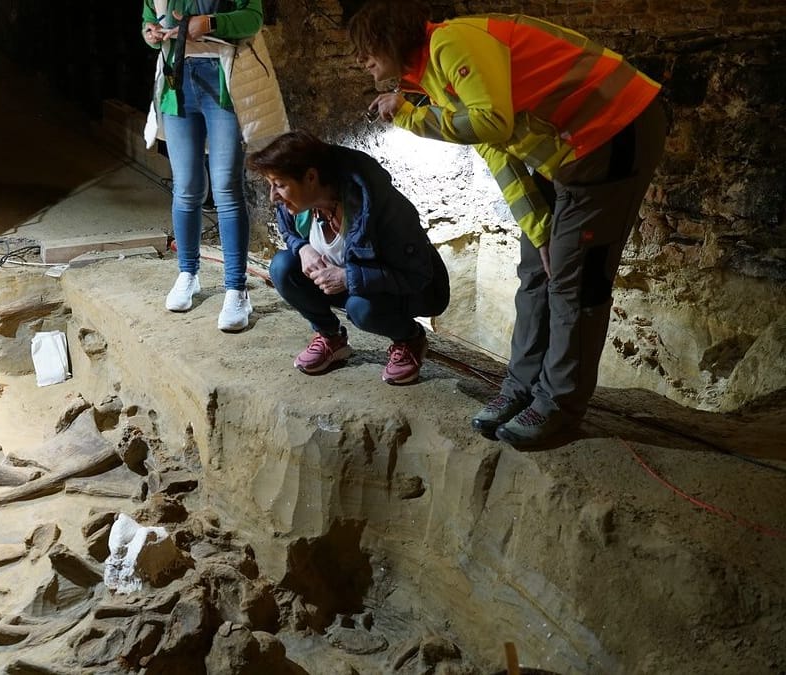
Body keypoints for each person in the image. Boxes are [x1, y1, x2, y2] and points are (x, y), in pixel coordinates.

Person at [350, 1, 668, 446]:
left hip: (612, 131)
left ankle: (558, 405)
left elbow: (491, 121)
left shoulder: (452, 44)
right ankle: (520, 389)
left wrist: (408, 115)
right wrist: (538, 228)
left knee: (575, 282)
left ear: (392, 37)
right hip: (568, 151)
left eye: (367, 49)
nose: (362, 61)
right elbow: (498, 153)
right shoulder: (435, 77)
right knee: (537, 268)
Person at [246, 130, 450, 384]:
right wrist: (302, 248)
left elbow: (417, 276)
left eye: (280, 185)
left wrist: (348, 277)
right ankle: (331, 337)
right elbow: (288, 231)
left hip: (411, 290)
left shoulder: (379, 208)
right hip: (353, 282)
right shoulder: (296, 206)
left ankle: (410, 338)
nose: (273, 196)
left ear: (311, 177)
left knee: (360, 308)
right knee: (282, 267)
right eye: (271, 185)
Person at [141, 0, 288, 332]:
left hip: (221, 79)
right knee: (186, 187)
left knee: (225, 186)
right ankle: (187, 274)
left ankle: (236, 289)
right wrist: (149, 33)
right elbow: (149, 17)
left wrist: (208, 24)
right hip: (177, 80)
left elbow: (252, 18)